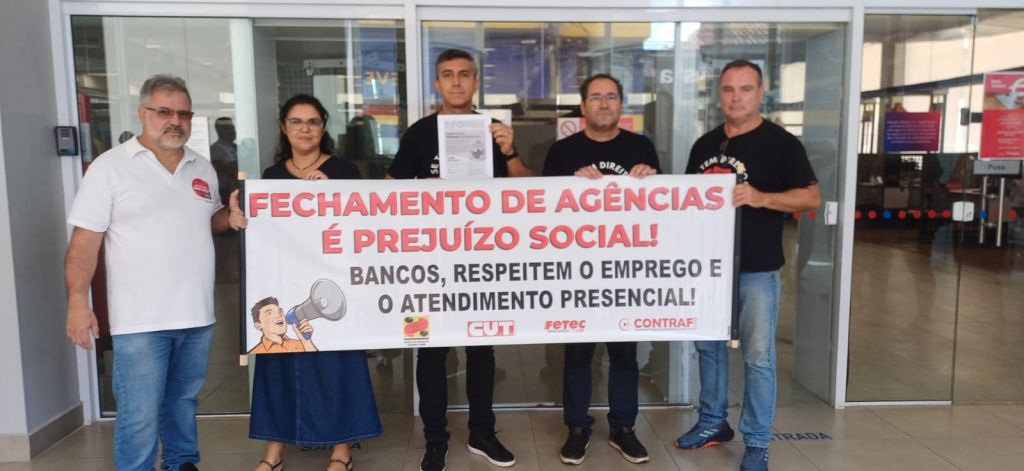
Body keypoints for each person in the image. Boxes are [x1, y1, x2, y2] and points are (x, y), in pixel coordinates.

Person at [64, 74, 246, 471]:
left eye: (184, 114)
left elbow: (207, 220)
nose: (175, 121)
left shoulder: (201, 167)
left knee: (182, 402)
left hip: (196, 315)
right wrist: (78, 303)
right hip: (139, 321)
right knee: (140, 413)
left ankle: (182, 464)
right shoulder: (110, 168)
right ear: (143, 113)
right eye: (165, 112)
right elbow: (83, 244)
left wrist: (228, 218)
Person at [387, 48, 529, 471]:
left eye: (464, 74)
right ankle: (435, 439)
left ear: (476, 82)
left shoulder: (494, 130)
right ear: (437, 83)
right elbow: (388, 192)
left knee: (481, 349)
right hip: (428, 260)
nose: (456, 82)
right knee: (430, 351)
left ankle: (482, 432)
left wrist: (510, 151)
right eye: (447, 74)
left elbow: (528, 191)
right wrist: (422, 189)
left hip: (482, 259)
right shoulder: (419, 133)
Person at [674, 60, 820, 471]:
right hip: (708, 269)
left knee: (758, 356)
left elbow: (811, 198)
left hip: (757, 269)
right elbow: (685, 202)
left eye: (745, 89)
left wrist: (761, 197)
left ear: (761, 93)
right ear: (718, 94)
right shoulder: (705, 145)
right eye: (728, 89)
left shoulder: (781, 143)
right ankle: (712, 422)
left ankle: (757, 441)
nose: (736, 97)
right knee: (708, 349)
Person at [249, 94, 381, 471]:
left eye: (312, 122)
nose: (304, 129)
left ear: (323, 128)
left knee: (338, 365)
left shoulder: (344, 171)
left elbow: (364, 226)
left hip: (334, 281)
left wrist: (332, 196)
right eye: (296, 121)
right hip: (284, 283)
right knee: (278, 365)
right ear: (284, 127)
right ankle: (274, 454)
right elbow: (267, 233)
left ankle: (342, 450)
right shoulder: (272, 176)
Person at [542, 73, 659, 466]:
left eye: (611, 97)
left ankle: (624, 428)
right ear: (583, 106)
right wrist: (568, 185)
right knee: (578, 353)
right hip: (577, 270)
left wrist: (652, 182)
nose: (604, 104)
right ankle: (577, 428)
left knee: (625, 352)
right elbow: (540, 210)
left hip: (626, 268)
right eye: (596, 97)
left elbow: (663, 207)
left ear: (621, 104)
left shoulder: (641, 147)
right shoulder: (563, 152)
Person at [209, 116, 238, 203]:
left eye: (232, 127)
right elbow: (234, 170)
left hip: (238, 190)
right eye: (228, 128)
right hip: (225, 194)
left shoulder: (236, 147)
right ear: (219, 131)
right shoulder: (215, 149)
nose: (232, 131)